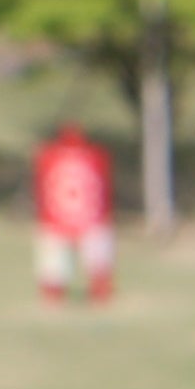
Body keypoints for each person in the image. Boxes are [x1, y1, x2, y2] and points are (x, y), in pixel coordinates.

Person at [31, 123, 115, 307]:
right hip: (91, 217)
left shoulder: (48, 156)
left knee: (53, 259)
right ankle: (99, 292)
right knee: (97, 257)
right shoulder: (95, 156)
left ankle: (54, 294)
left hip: (56, 218)